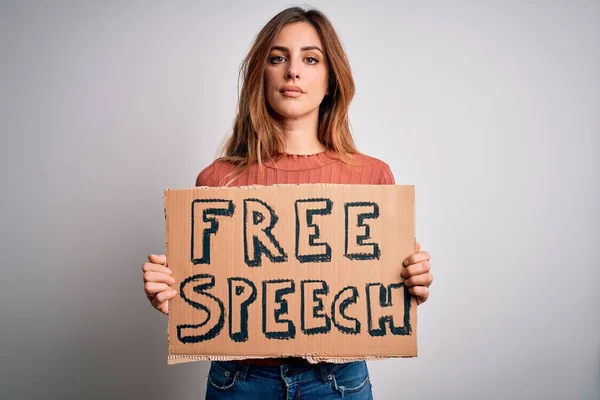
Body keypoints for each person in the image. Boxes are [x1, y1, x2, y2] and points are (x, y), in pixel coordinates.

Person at [142, 6, 433, 399]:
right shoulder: (217, 180)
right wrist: (172, 295)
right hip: (239, 381)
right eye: (278, 58)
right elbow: (207, 292)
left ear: (330, 80)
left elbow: (384, 291)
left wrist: (412, 283)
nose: (293, 71)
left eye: (310, 59)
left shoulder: (372, 179)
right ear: (261, 75)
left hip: (338, 381)